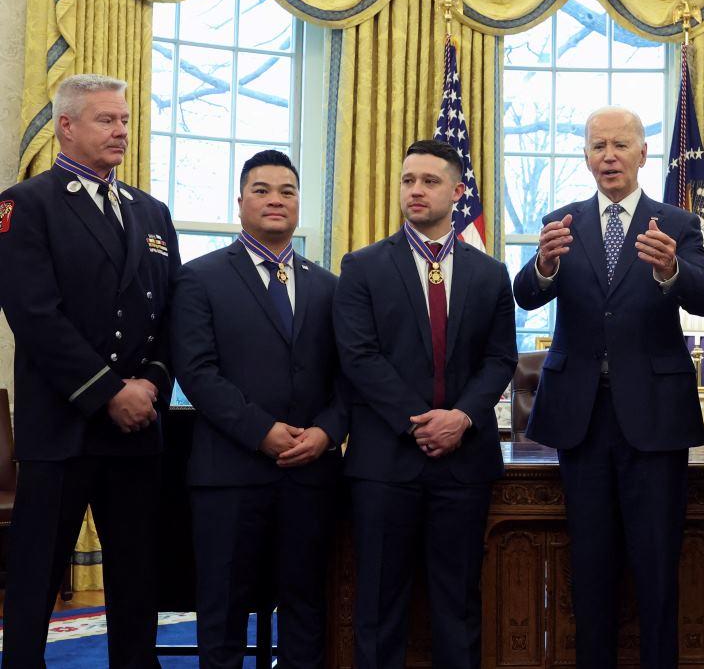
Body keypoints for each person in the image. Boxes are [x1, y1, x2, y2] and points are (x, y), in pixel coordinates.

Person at [512, 106, 704, 669]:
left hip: (653, 417)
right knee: (591, 565)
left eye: (620, 145)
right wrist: (546, 267)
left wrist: (672, 272)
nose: (609, 155)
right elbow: (526, 294)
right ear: (585, 155)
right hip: (581, 417)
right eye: (598, 145)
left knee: (656, 566)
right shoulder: (563, 220)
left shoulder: (676, 223)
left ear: (642, 153)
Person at [0, 73, 179, 668]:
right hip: (63, 426)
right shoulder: (25, 205)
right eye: (107, 120)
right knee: (36, 574)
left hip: (135, 430)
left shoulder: (152, 212)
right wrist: (108, 393)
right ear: (65, 126)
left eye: (125, 120)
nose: (121, 132)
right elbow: (35, 315)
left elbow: (171, 315)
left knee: (137, 575)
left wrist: (150, 384)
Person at [334, 139, 517, 669]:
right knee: (378, 606)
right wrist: (420, 424)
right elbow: (358, 356)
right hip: (384, 463)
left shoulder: (489, 273)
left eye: (430, 181)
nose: (415, 190)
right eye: (408, 179)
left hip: (463, 463)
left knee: (458, 605)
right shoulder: (363, 266)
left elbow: (501, 358)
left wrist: (460, 417)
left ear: (458, 192)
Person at [170, 149, 345, 668]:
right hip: (230, 472)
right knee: (222, 611)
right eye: (262, 190)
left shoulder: (329, 286)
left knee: (306, 606)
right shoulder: (199, 278)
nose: (276, 200)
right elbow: (197, 372)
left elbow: (347, 378)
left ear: (298, 204)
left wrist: (327, 433)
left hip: (310, 474)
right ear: (240, 201)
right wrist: (262, 431)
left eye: (287, 191)